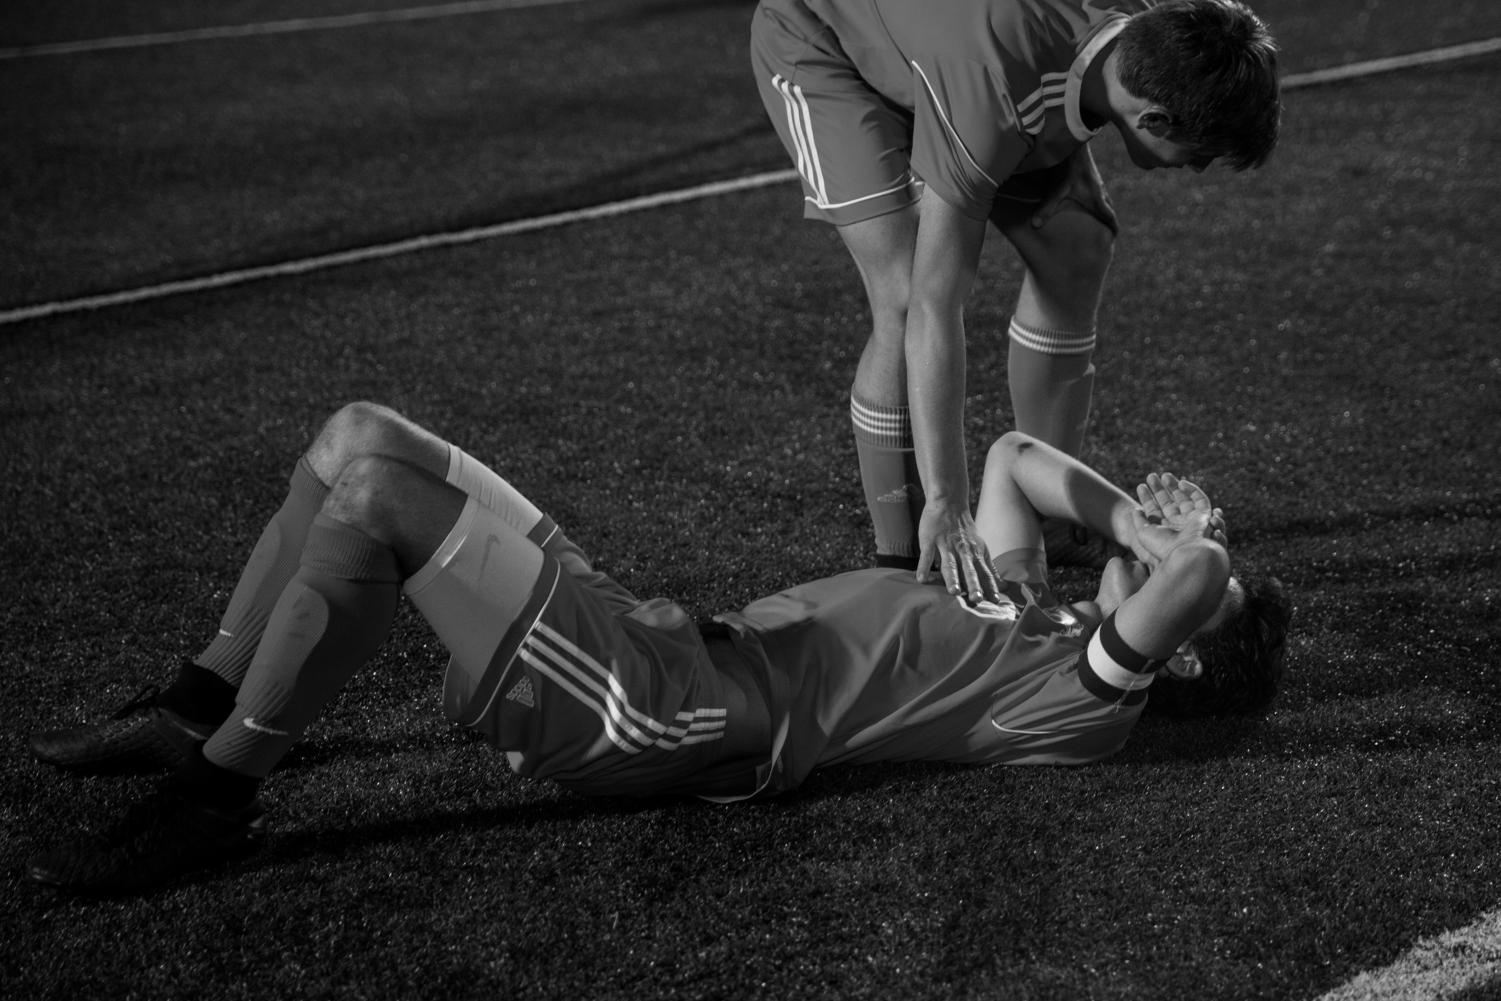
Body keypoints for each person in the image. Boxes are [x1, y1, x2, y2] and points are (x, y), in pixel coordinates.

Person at [25, 402, 1289, 896]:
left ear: (1176, 655)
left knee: (380, 513)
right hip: (659, 633)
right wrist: (1126, 519)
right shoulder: (1033, 611)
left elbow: (1205, 570)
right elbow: (1013, 457)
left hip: (671, 707)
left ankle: (218, 789)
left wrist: (1171, 537)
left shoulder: (1080, 703)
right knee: (357, 440)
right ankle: (201, 701)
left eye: (1191, 602)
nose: (1181, 556)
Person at [748, 0, 1281, 593]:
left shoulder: (1146, 30)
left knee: (1075, 248)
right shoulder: (993, 101)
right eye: (1201, 156)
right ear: (1154, 119)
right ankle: (903, 564)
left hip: (972, 54)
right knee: (900, 302)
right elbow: (934, 306)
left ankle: (1046, 511)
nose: (1199, 169)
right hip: (826, 43)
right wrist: (948, 501)